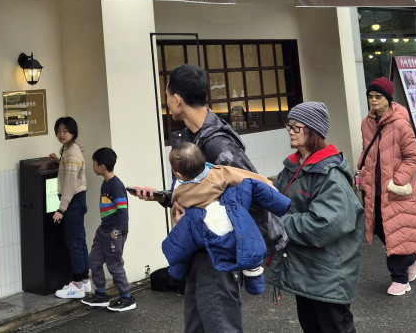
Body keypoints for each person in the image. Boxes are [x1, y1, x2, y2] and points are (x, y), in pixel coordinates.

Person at [133, 63, 269, 333]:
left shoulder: (217, 143)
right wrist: (167, 197)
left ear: (177, 99)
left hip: (215, 252)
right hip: (197, 250)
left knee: (220, 325)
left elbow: (253, 190)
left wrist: (208, 218)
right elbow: (202, 189)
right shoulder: (191, 137)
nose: (166, 100)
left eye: (166, 94)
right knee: (196, 326)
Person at [270, 102, 364, 333]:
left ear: (313, 130)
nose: (290, 132)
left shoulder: (330, 174)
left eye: (296, 127)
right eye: (289, 127)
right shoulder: (292, 166)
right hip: (305, 271)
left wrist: (277, 224)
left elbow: (325, 224)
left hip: (327, 275)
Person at [162, 143, 290, 297]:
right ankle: (254, 280)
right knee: (250, 251)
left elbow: (177, 208)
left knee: (179, 245)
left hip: (203, 228)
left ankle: (177, 270)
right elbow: (249, 177)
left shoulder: (180, 190)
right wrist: (273, 190)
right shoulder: (219, 173)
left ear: (178, 174)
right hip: (229, 221)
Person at [357, 77, 416, 296]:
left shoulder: (400, 124)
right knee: (379, 227)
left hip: (396, 190)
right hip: (373, 188)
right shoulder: (366, 124)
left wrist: (396, 181)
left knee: (395, 231)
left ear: (388, 98)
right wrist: (363, 173)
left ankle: (400, 279)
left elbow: (414, 157)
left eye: (378, 96)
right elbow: (367, 151)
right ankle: (412, 258)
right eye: (370, 96)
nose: (373, 100)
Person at [81, 147, 134, 312]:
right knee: (94, 260)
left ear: (102, 166)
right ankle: (101, 294)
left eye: (94, 164)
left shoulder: (116, 186)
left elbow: (123, 212)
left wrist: (116, 232)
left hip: (114, 233)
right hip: (103, 231)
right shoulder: (106, 183)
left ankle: (127, 297)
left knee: (114, 265)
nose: (93, 167)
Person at [49, 116, 90, 299]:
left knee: (74, 243)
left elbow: (70, 183)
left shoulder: (71, 152)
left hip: (73, 201)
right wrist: (59, 161)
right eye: (58, 131)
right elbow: (71, 171)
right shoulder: (69, 149)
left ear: (73, 132)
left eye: (65, 131)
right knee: (80, 241)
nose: (61, 134)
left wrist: (61, 208)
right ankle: (85, 281)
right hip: (77, 200)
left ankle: (77, 284)